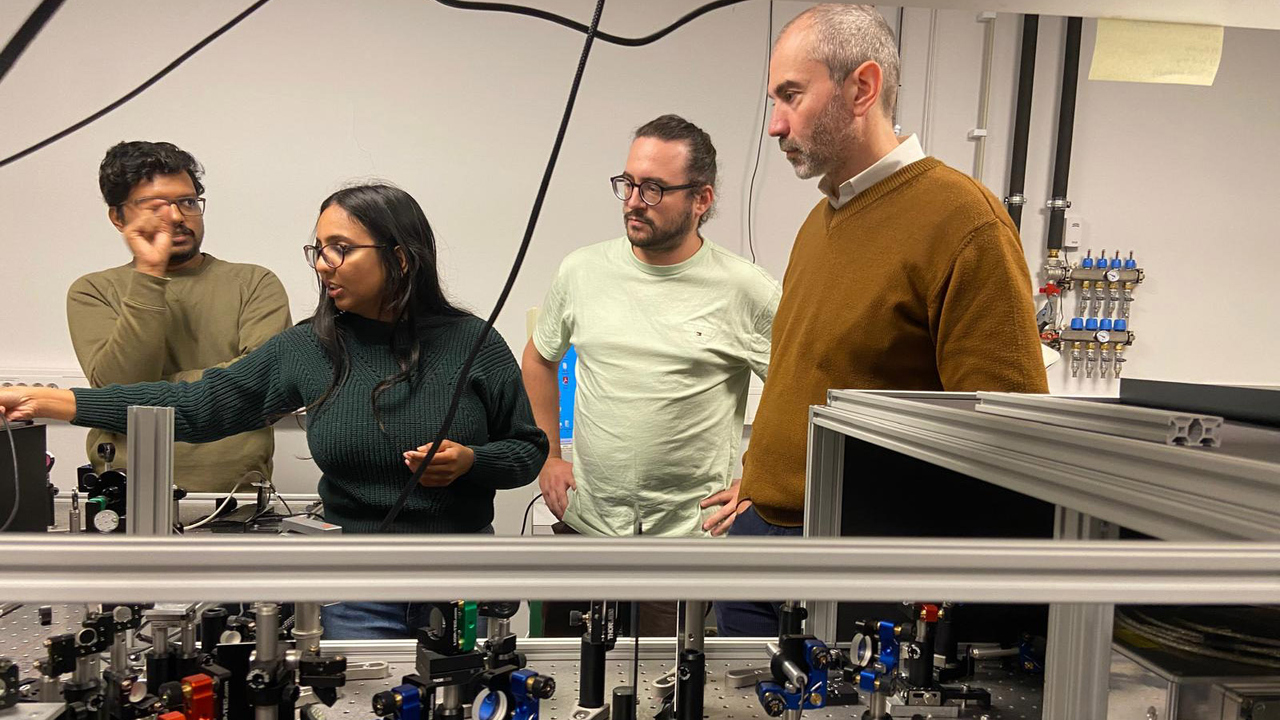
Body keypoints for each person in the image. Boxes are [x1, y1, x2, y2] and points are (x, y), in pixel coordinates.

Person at [4, 183, 548, 638]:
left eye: (340, 248)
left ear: (400, 257)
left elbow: (526, 451)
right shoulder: (308, 348)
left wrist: (471, 461)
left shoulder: (473, 342)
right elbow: (197, 406)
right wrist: (55, 401)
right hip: (356, 593)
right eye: (318, 249)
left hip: (462, 582)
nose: (323, 265)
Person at [716, 5, 1050, 637]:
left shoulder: (963, 222)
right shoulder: (820, 223)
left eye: (791, 95)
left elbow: (1010, 441)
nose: (775, 124)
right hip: (761, 540)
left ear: (862, 88)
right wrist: (763, 481)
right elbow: (805, 378)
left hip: (856, 564)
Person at [522, 114, 780, 636]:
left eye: (655, 189)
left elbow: (796, 393)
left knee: (663, 678)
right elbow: (539, 358)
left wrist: (757, 480)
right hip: (587, 527)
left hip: (681, 545)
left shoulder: (745, 289)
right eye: (629, 183)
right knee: (564, 672)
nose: (634, 201)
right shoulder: (582, 271)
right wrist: (548, 455)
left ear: (701, 199)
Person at [68, 141, 292, 492]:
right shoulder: (94, 290)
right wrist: (149, 274)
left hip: (236, 499)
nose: (176, 217)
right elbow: (121, 391)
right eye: (154, 206)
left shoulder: (254, 283)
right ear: (118, 217)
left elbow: (263, 387)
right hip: (126, 495)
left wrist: (154, 391)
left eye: (188, 202)